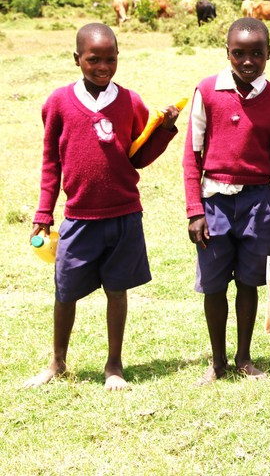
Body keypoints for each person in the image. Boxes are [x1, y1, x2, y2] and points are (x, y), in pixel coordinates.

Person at [25, 23, 180, 391]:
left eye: (110, 59)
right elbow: (51, 162)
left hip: (124, 214)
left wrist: (165, 131)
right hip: (79, 216)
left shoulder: (130, 101)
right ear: (77, 58)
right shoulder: (59, 103)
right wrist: (44, 214)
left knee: (117, 289)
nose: (103, 67)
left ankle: (114, 365)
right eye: (93, 59)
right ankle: (57, 361)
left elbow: (138, 157)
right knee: (64, 290)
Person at [183, 17, 270, 386]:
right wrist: (195, 210)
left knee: (249, 282)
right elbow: (191, 155)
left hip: (258, 204)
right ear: (227, 52)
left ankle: (244, 357)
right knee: (214, 285)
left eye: (256, 54)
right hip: (214, 201)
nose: (248, 61)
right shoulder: (207, 91)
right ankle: (217, 361)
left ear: (268, 54)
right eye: (239, 53)